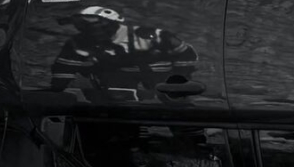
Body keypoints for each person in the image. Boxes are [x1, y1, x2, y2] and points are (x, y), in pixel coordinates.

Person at [50, 6, 198, 102]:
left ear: (113, 23)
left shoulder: (151, 35)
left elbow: (186, 54)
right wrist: (55, 92)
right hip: (117, 82)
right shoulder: (78, 42)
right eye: (82, 26)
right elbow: (64, 69)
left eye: (96, 25)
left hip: (160, 79)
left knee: (178, 108)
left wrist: (179, 81)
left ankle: (195, 143)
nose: (92, 31)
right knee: (119, 101)